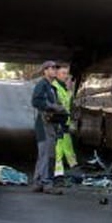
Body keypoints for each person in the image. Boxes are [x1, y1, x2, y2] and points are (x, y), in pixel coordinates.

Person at [31, 61, 67, 195]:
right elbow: (36, 101)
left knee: (46, 154)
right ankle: (46, 183)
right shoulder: (42, 85)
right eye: (51, 68)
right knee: (47, 154)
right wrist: (53, 107)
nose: (54, 70)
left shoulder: (52, 87)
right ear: (45, 70)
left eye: (55, 68)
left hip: (51, 124)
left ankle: (38, 182)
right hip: (43, 123)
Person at [52, 63, 78, 178]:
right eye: (63, 73)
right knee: (59, 145)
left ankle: (72, 164)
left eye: (67, 73)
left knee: (65, 143)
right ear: (56, 74)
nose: (66, 76)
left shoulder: (64, 88)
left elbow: (69, 104)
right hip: (58, 121)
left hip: (65, 121)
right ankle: (58, 170)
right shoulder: (54, 87)